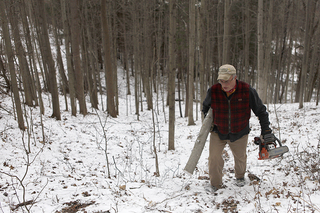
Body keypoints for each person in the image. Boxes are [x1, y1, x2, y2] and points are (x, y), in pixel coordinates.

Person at [202, 64, 274, 191]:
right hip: (218, 131)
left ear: (234, 78)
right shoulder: (213, 90)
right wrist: (208, 124)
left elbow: (261, 111)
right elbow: (205, 108)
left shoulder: (247, 90)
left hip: (240, 131)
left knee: (240, 158)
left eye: (227, 80)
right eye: (221, 81)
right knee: (213, 158)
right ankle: (215, 184)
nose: (223, 84)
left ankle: (240, 177)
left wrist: (266, 131)